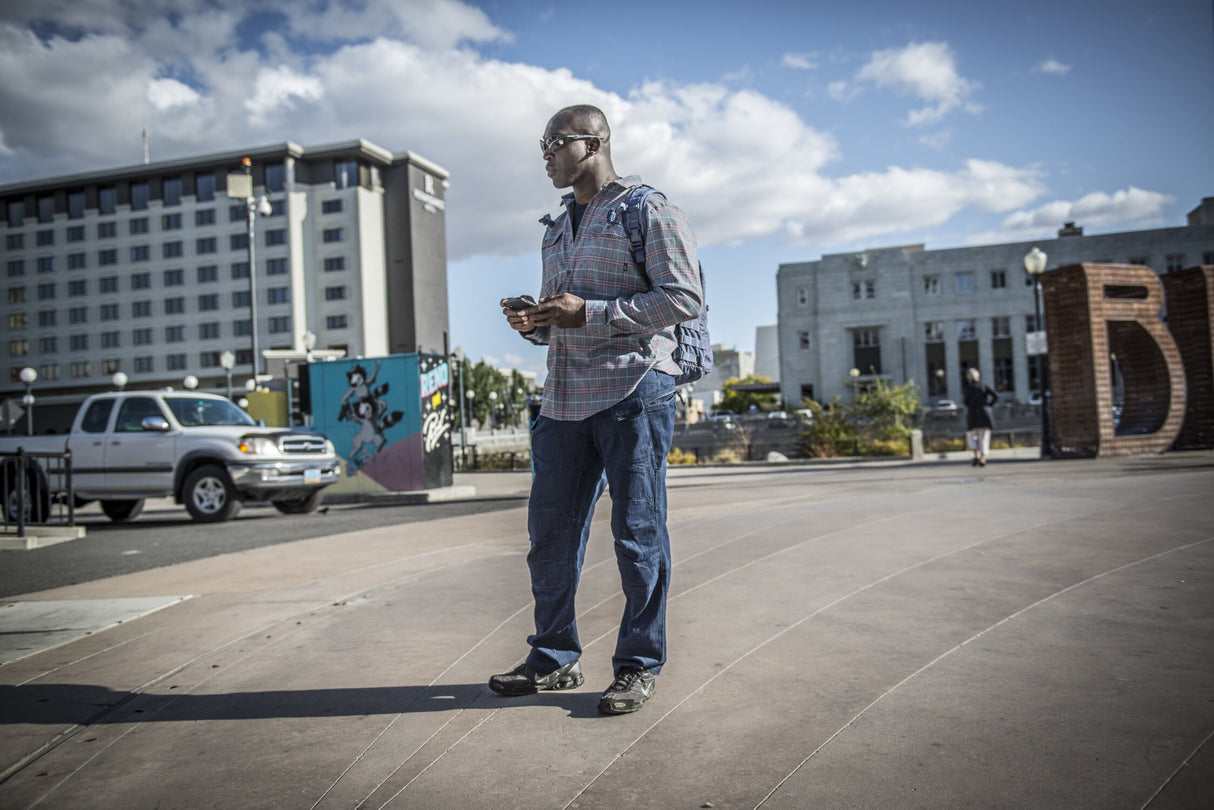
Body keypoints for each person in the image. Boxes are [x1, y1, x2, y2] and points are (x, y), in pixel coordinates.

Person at [489, 104, 703, 715]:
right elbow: (568, 316)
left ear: (595, 142)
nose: (547, 156)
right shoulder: (555, 227)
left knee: (637, 535)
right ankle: (553, 659)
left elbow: (683, 297)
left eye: (555, 143)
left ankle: (637, 665)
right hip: (563, 398)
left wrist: (593, 314)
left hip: (634, 391)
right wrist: (536, 323)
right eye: (543, 146)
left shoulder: (648, 211)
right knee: (549, 538)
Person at [963, 367, 998, 466]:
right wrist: (989, 405)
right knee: (984, 437)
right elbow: (995, 396)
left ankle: (975, 455)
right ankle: (983, 458)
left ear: (969, 378)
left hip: (973, 414)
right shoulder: (984, 386)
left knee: (971, 435)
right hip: (984, 413)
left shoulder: (968, 388)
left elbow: (965, 402)